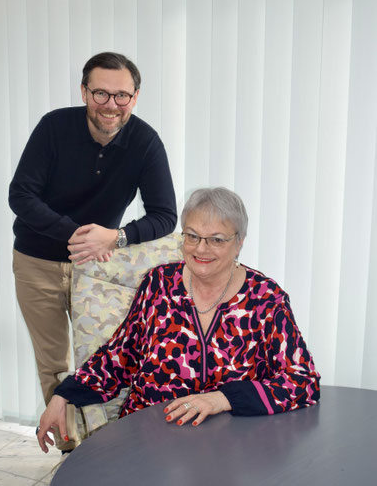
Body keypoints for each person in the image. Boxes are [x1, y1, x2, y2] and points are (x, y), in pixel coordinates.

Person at [37, 187, 320, 453]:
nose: (201, 249)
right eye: (192, 236)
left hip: (231, 447)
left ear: (239, 243)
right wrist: (65, 394)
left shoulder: (266, 299)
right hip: (150, 439)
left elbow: (302, 380)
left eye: (216, 239)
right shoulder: (159, 284)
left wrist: (223, 399)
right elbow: (121, 355)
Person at [9, 52, 177, 450]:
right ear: (84, 92)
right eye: (101, 93)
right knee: (53, 366)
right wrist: (78, 234)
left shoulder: (145, 142)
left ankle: (107, 450)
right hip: (37, 262)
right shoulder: (54, 127)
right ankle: (72, 453)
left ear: (135, 97)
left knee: (105, 359)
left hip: (100, 268)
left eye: (122, 96)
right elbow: (21, 195)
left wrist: (116, 238)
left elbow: (165, 215)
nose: (111, 104)